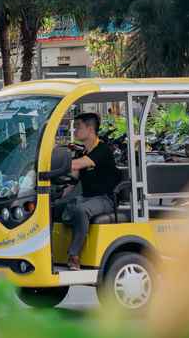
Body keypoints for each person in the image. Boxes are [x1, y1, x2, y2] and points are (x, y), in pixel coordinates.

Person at [64, 113, 119, 271]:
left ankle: (74, 255)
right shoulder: (82, 152)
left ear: (90, 129)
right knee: (54, 208)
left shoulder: (102, 150)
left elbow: (77, 165)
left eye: (78, 127)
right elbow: (72, 181)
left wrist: (53, 163)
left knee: (81, 210)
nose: (75, 130)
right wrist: (57, 196)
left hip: (105, 199)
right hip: (86, 197)